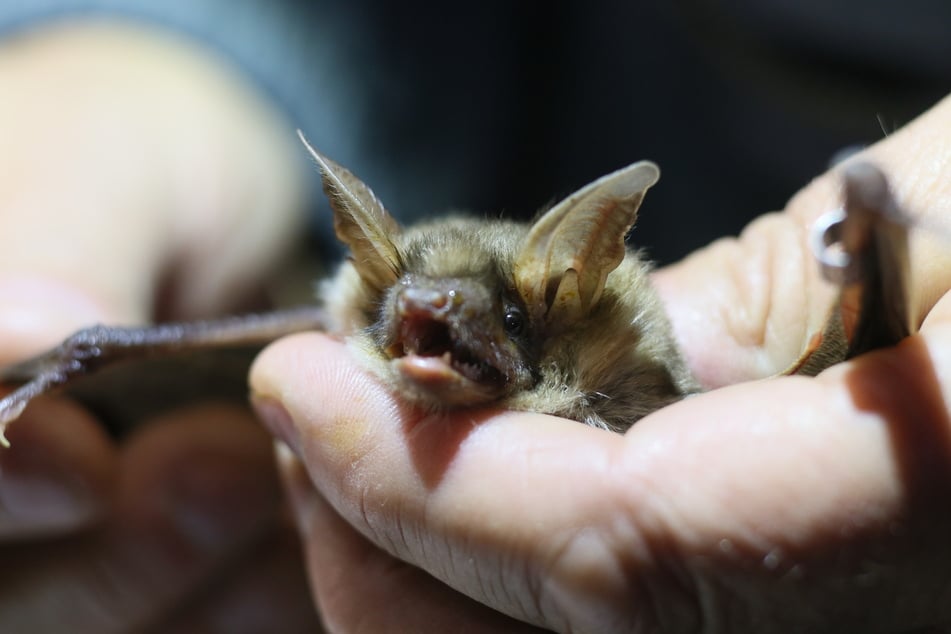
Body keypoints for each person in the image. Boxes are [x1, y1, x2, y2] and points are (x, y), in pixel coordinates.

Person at [0, 4, 949, 632]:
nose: (424, 320)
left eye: (477, 318)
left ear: (557, 301)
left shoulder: (624, 363)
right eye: (405, 309)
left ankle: (868, 239)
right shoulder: (354, 320)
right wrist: (152, 52)